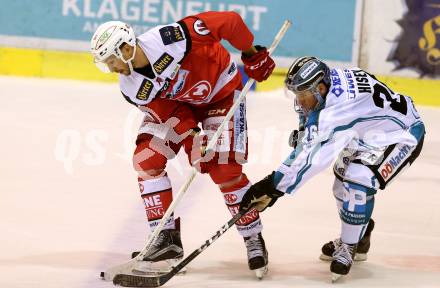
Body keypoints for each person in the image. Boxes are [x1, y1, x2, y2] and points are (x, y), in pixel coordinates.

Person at [90, 11, 275, 278]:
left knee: (224, 170)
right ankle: (166, 240)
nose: (110, 68)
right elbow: (168, 111)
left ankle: (252, 236)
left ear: (126, 48)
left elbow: (230, 22)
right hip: (183, 108)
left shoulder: (171, 39)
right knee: (146, 160)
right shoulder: (130, 86)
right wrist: (193, 138)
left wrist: (251, 54)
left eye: (111, 60)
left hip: (221, 94)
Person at [239, 56, 425, 281]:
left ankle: (348, 247)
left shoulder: (337, 110)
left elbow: (312, 160)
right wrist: (306, 133)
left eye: (303, 94)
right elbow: (313, 124)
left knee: (358, 180)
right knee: (340, 186)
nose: (300, 101)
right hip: (369, 132)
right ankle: (361, 234)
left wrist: (272, 186)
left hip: (401, 135)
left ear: (320, 87)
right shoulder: (331, 82)